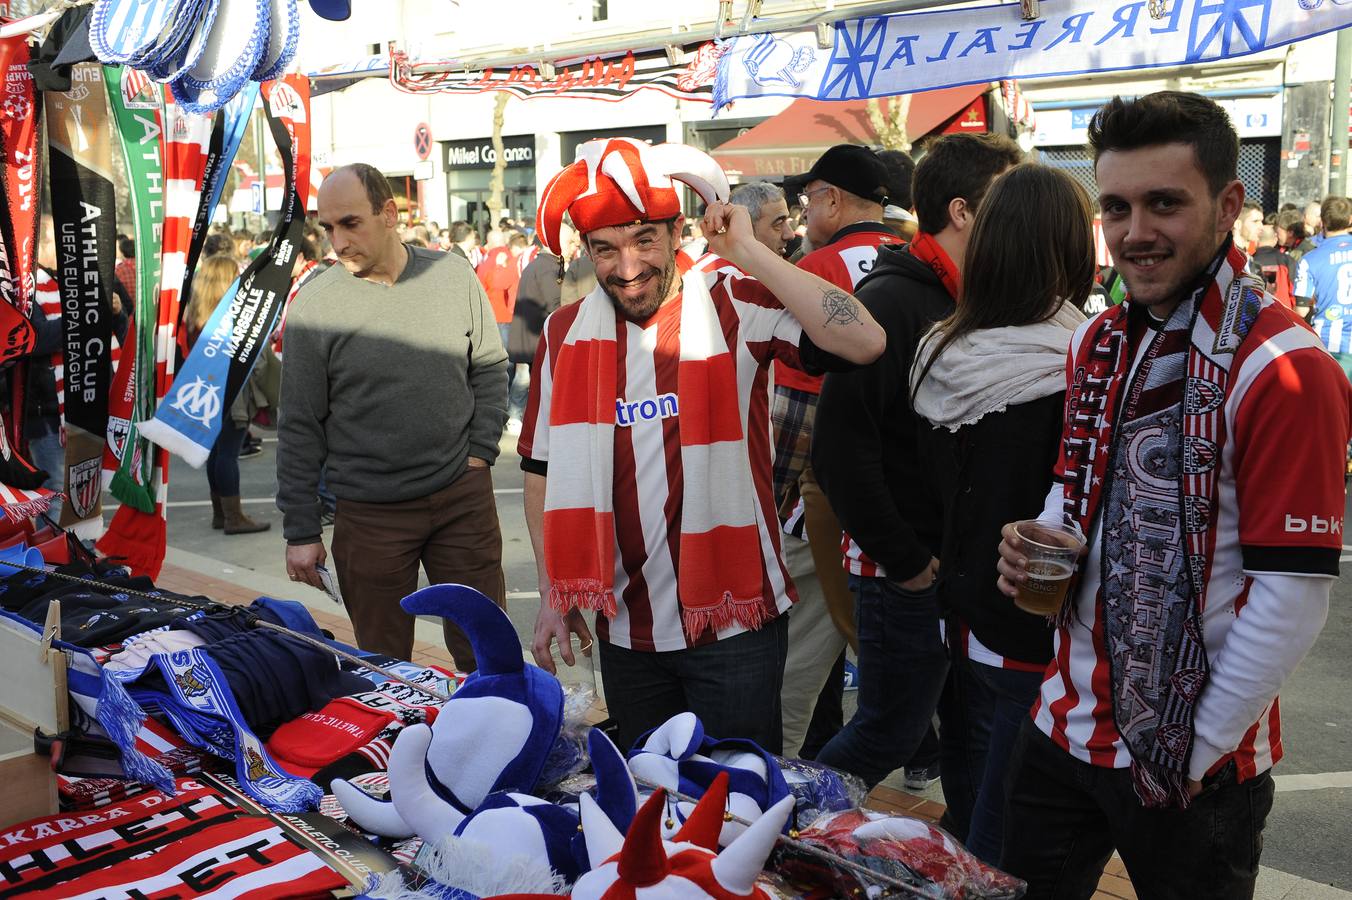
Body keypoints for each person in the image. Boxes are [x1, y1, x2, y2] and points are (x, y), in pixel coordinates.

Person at [995, 91, 1351, 900]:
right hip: (1061, 726)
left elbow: (1292, 596)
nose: (1135, 232)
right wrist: (1039, 541)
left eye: (1165, 203)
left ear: (1229, 205)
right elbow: (1074, 488)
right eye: (1116, 207)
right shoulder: (1099, 336)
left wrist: (1195, 751)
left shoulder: (1286, 368)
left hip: (1197, 766)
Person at [519, 137, 885, 754]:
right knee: (655, 808)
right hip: (627, 630)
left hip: (735, 624)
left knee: (739, 804)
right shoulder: (563, 334)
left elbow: (864, 340)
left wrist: (744, 249)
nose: (627, 267)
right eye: (605, 249)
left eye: (644, 241)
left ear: (676, 231)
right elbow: (541, 468)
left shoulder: (734, 300)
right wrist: (556, 589)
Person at [810, 132, 1024, 790]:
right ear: (962, 211)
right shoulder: (896, 299)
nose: (1019, 217)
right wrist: (904, 559)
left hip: (950, 567)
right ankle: (775, 833)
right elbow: (840, 447)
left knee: (968, 731)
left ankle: (965, 868)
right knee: (891, 731)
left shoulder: (964, 294)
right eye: (1006, 200)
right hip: (903, 567)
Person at [909, 163, 1092, 864]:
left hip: (957, 616)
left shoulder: (940, 348)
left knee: (974, 797)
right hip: (1033, 627)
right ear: (1067, 248)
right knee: (1006, 832)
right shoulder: (1077, 355)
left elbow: (928, 485)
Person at [277, 163, 509, 671]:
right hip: (369, 512)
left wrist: (479, 453)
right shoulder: (316, 305)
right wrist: (301, 530)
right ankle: (401, 749)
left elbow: (490, 367)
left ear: (389, 214)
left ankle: (498, 741)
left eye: (350, 223)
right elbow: (298, 425)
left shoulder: (452, 274)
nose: (337, 241)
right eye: (328, 227)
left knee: (487, 651)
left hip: (461, 498)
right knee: (384, 665)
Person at [767, 144, 906, 762]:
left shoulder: (817, 265)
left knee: (814, 625)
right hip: (909, 479)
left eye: (806, 199)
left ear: (829, 198)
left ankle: (780, 774)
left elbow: (796, 399)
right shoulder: (912, 254)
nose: (802, 213)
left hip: (833, 481)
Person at [182, 255, 271, 534]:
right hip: (231, 393)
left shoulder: (194, 315)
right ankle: (234, 518)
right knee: (228, 455)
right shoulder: (231, 316)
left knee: (217, 453)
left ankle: (220, 514)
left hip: (204, 392)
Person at [507, 228, 572, 434]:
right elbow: (556, 306)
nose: (573, 247)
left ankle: (517, 417)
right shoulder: (547, 268)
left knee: (526, 379)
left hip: (529, 337)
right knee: (531, 382)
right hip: (536, 339)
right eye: (570, 243)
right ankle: (518, 417)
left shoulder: (541, 264)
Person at [1296, 195, 1352, 376]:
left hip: (1328, 343)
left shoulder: (1309, 260)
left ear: (1323, 221)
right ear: (1350, 220)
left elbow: (1301, 311)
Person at [729, 182, 794, 258]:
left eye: (787, 221)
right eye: (778, 224)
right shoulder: (722, 269)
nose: (790, 235)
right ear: (745, 227)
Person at [1252, 223, 1296, 310]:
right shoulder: (1287, 260)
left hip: (1258, 314)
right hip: (1284, 313)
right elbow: (1294, 290)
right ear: (1275, 239)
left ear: (1256, 240)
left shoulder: (1250, 261)